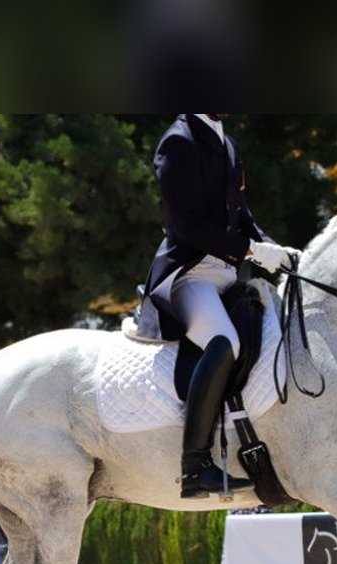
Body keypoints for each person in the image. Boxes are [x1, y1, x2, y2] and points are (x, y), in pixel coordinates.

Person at [137, 114, 299, 499]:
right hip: (190, 275)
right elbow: (186, 225)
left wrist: (274, 248)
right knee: (224, 341)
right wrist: (249, 250)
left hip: (227, 275)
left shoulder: (225, 140)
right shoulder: (179, 140)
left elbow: (241, 216)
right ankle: (195, 466)